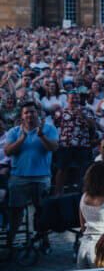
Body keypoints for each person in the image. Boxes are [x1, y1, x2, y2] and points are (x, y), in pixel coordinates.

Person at [4, 103, 59, 248]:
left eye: (32, 112)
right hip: (18, 178)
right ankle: (10, 241)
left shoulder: (49, 129)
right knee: (16, 211)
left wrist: (42, 137)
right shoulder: (14, 131)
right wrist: (21, 140)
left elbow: (53, 148)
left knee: (42, 211)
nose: (30, 115)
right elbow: (8, 152)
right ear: (22, 116)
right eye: (26, 112)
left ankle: (44, 240)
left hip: (41, 177)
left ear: (38, 114)